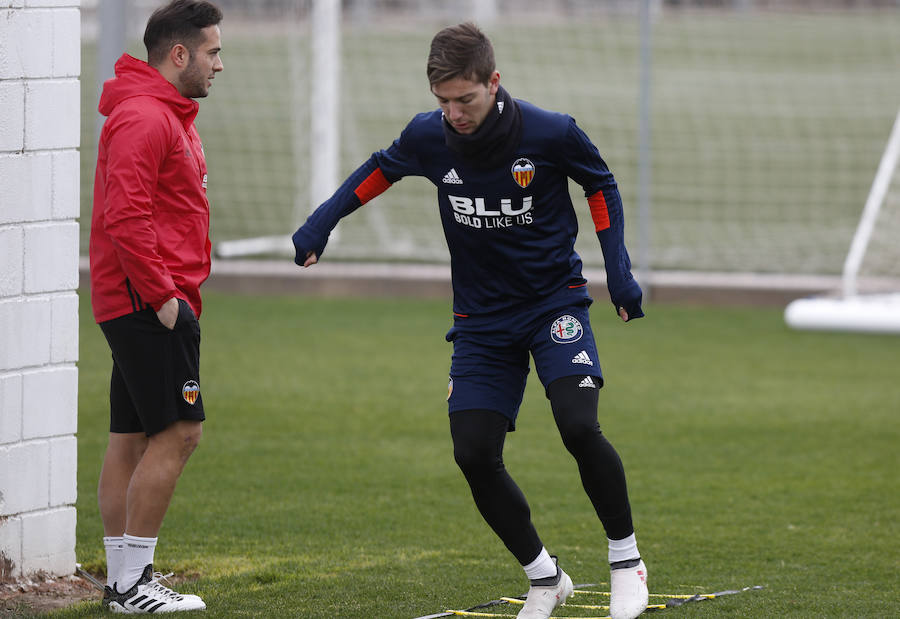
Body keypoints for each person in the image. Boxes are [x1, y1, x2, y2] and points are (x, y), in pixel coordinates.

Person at [293, 22, 649, 619]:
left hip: (554, 304)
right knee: (474, 452)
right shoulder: (429, 137)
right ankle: (545, 577)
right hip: (482, 321)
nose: (454, 113)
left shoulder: (549, 131)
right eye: (443, 102)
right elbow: (381, 169)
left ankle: (626, 562)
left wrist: (617, 269)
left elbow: (600, 183)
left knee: (578, 426)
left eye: (466, 99)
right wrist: (321, 224)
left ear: (494, 82)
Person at [89, 0, 223, 613]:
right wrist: (164, 298)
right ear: (180, 54)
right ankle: (133, 585)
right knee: (179, 432)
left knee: (131, 437)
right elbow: (126, 217)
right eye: (212, 52)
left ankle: (124, 581)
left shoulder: (164, 111)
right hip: (149, 302)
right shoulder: (146, 116)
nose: (219, 64)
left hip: (142, 299)